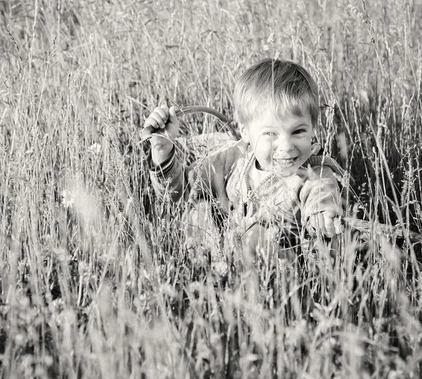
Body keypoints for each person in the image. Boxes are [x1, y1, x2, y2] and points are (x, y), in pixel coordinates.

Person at [141, 58, 345, 276]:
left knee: (258, 235)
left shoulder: (314, 174)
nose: (286, 146)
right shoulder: (234, 159)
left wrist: (321, 215)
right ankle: (201, 272)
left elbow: (322, 193)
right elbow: (181, 192)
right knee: (198, 210)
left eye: (298, 132)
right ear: (245, 131)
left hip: (279, 275)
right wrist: (162, 152)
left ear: (313, 128)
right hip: (224, 262)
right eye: (270, 133)